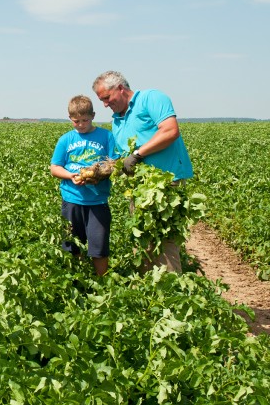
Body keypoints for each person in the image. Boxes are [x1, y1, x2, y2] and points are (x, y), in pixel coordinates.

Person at [92, 70, 194, 272]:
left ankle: (171, 292)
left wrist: (138, 154)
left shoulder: (151, 98)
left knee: (164, 241)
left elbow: (170, 130)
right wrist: (105, 170)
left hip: (165, 182)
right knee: (142, 239)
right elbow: (125, 157)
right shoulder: (117, 121)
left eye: (107, 98)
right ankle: (148, 291)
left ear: (120, 88)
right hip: (140, 187)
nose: (105, 104)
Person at [50, 95, 117, 276]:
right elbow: (55, 167)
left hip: (97, 201)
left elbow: (114, 163)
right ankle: (77, 280)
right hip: (72, 199)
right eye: (76, 121)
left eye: (85, 120)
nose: (81, 124)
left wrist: (99, 174)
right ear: (70, 118)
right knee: (72, 244)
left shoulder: (106, 136)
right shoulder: (66, 140)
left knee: (99, 245)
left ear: (93, 116)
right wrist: (70, 175)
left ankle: (101, 282)